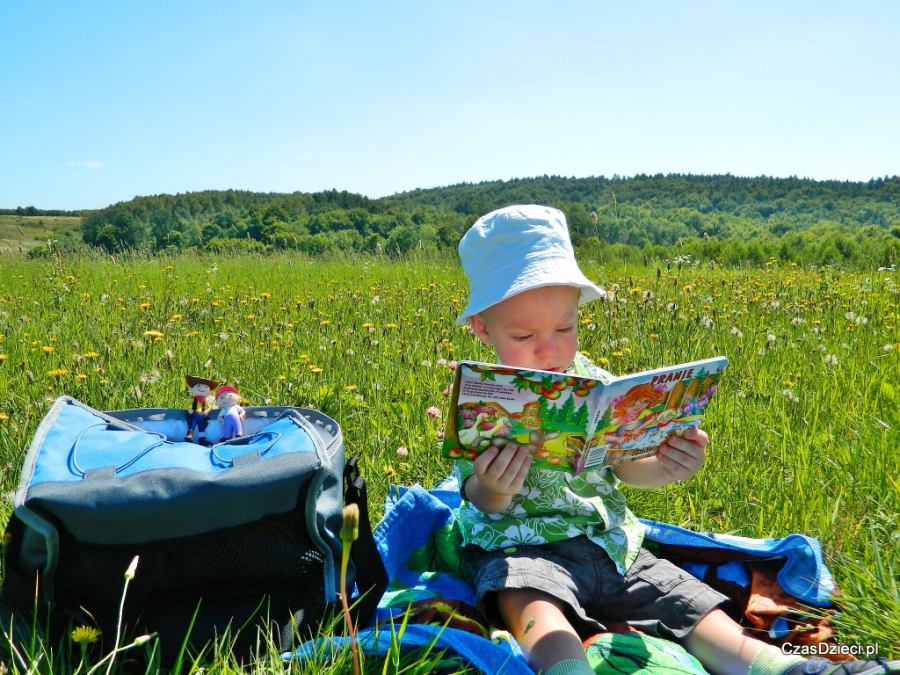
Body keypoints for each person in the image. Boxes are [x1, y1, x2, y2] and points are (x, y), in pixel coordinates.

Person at [453, 204, 899, 675]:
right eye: (524, 335)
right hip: (518, 548)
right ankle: (567, 669)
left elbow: (623, 465)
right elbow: (479, 500)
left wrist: (664, 466)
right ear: (483, 327)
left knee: (693, 607)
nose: (551, 349)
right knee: (532, 604)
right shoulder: (485, 399)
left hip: (610, 546)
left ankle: (797, 669)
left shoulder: (595, 383)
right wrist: (496, 486)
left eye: (565, 328)